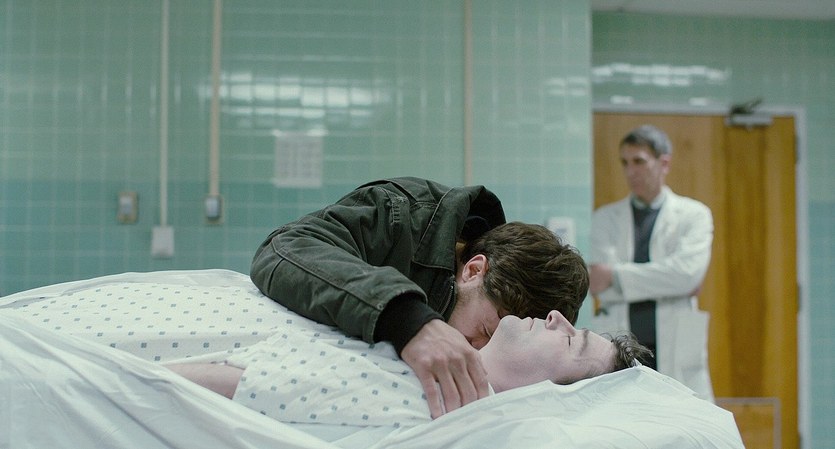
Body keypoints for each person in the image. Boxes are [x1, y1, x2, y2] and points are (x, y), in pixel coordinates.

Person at [250, 177, 589, 418]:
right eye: (486, 331)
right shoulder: (401, 215)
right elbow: (285, 250)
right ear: (473, 271)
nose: (478, 352)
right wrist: (408, 320)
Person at [167, 309, 652, 426]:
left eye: (571, 339)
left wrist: (119, 372)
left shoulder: (428, 401)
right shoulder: (435, 346)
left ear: (550, 397)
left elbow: (248, 386)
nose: (557, 317)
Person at [588, 124, 715, 399]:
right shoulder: (605, 219)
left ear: (664, 163)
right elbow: (598, 284)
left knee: (683, 419)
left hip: (675, 347)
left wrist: (616, 276)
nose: (630, 171)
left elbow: (686, 276)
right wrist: (671, 282)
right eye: (625, 162)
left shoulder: (694, 215)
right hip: (623, 343)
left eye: (639, 161)